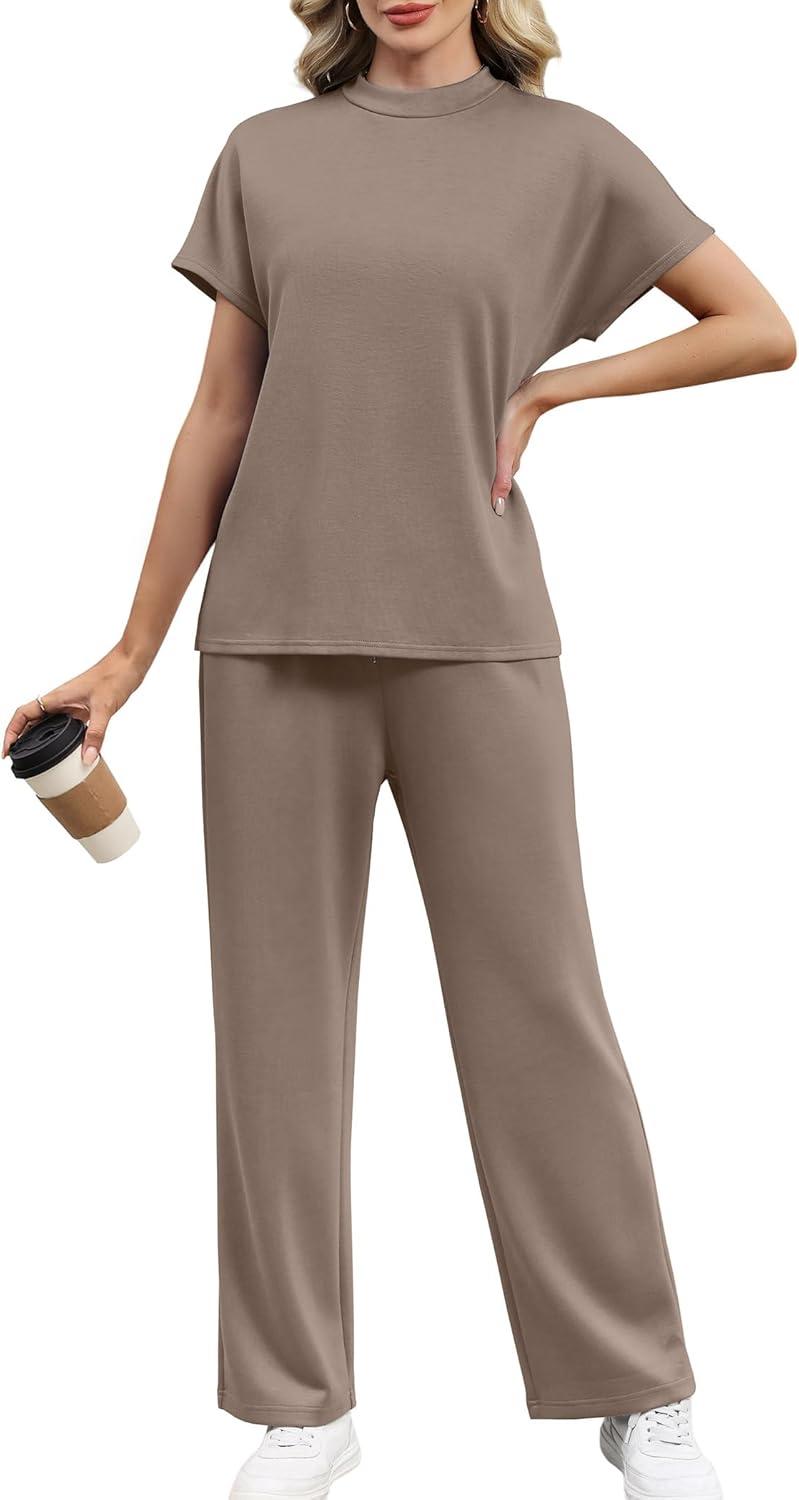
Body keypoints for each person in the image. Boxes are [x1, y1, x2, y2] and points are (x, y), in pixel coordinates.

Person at [4, 2, 794, 1497]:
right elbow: (220, 409)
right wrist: (130, 651)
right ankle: (299, 1405)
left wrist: (555, 385)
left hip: (478, 637)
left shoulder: (571, 154)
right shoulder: (266, 155)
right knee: (275, 1037)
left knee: (542, 1013)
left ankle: (640, 1390)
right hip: (268, 646)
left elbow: (759, 325)